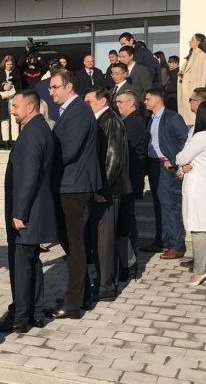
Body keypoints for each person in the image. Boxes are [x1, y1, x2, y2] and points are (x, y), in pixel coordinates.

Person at [0, 90, 56, 333]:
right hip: (37, 210)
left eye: (16, 106)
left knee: (21, 265)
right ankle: (36, 313)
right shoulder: (41, 128)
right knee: (32, 263)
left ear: (30, 107)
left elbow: (28, 176)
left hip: (28, 212)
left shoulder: (32, 133)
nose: (12, 111)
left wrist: (19, 212)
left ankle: (20, 318)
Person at [49, 69, 101, 319]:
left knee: (75, 244)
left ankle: (72, 304)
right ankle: (83, 295)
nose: (51, 92)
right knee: (71, 243)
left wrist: (43, 161)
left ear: (68, 87)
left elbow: (68, 151)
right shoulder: (69, 111)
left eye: (55, 87)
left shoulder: (78, 110)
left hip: (75, 186)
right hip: (69, 185)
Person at [83, 87, 131, 301]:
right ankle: (103, 280)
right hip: (106, 189)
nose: (86, 106)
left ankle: (106, 287)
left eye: (89, 101)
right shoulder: (103, 119)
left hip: (109, 191)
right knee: (100, 238)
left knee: (105, 240)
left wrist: (102, 188)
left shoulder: (109, 120)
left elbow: (113, 158)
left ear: (102, 101)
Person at [175, 102, 206, 285]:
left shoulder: (201, 136)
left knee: (198, 229)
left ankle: (199, 271)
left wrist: (183, 165)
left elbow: (181, 157)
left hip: (199, 187)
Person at [143, 88, 188, 258]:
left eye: (147, 99)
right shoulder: (152, 118)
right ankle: (161, 240)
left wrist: (174, 160)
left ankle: (176, 245)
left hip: (164, 165)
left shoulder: (172, 117)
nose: (145, 102)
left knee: (168, 204)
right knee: (158, 204)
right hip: (153, 164)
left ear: (157, 99)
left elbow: (184, 139)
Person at [115, 90, 147, 277]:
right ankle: (127, 263)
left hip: (129, 180)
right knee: (126, 221)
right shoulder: (127, 121)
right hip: (127, 180)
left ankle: (130, 263)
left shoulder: (134, 123)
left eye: (121, 102)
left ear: (131, 103)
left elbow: (125, 150)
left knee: (127, 222)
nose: (117, 105)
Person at [178, 34, 206, 126]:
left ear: (198, 42)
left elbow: (203, 75)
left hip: (193, 90)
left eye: (192, 40)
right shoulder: (191, 55)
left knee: (192, 118)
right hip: (186, 90)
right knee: (186, 117)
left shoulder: (201, 55)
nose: (190, 41)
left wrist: (199, 93)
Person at [0, 55, 19, 148]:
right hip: (3, 99)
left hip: (14, 98)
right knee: (4, 120)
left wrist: (13, 85)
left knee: (15, 119)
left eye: (11, 64)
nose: (9, 66)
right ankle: (6, 142)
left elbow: (19, 86)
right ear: (4, 64)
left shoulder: (16, 73)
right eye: (8, 64)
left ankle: (15, 141)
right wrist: (3, 87)